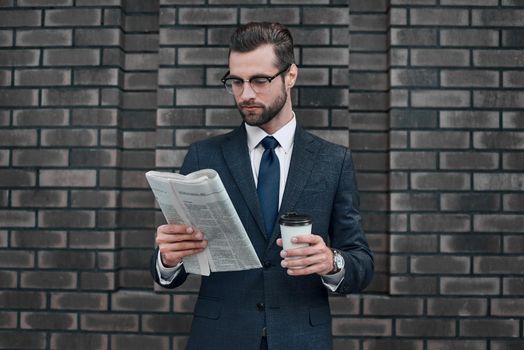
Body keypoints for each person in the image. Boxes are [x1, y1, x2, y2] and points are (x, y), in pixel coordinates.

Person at [150, 22, 374, 350]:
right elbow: (170, 271)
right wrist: (168, 260)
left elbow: (362, 262)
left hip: (302, 338)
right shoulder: (203, 155)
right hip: (219, 338)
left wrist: (331, 261)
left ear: (290, 76)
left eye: (259, 80)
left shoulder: (333, 161)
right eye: (236, 82)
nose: (246, 94)